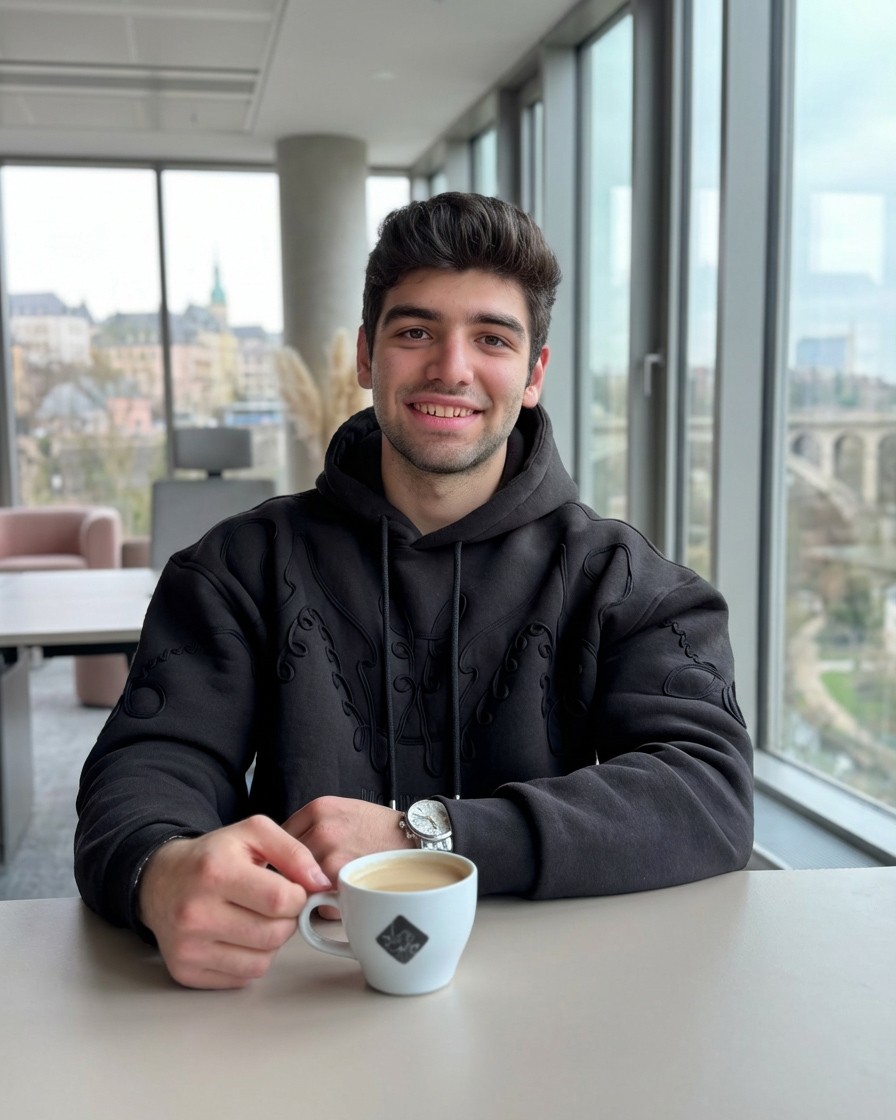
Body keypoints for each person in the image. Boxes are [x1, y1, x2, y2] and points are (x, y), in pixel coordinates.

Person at [75, 192, 753, 989]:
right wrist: (161, 872)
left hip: (559, 1004)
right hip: (288, 1007)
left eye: (491, 338)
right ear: (368, 357)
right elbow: (149, 766)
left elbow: (707, 791)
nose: (451, 368)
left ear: (533, 373)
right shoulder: (237, 565)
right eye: (416, 331)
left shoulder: (625, 580)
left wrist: (426, 834)